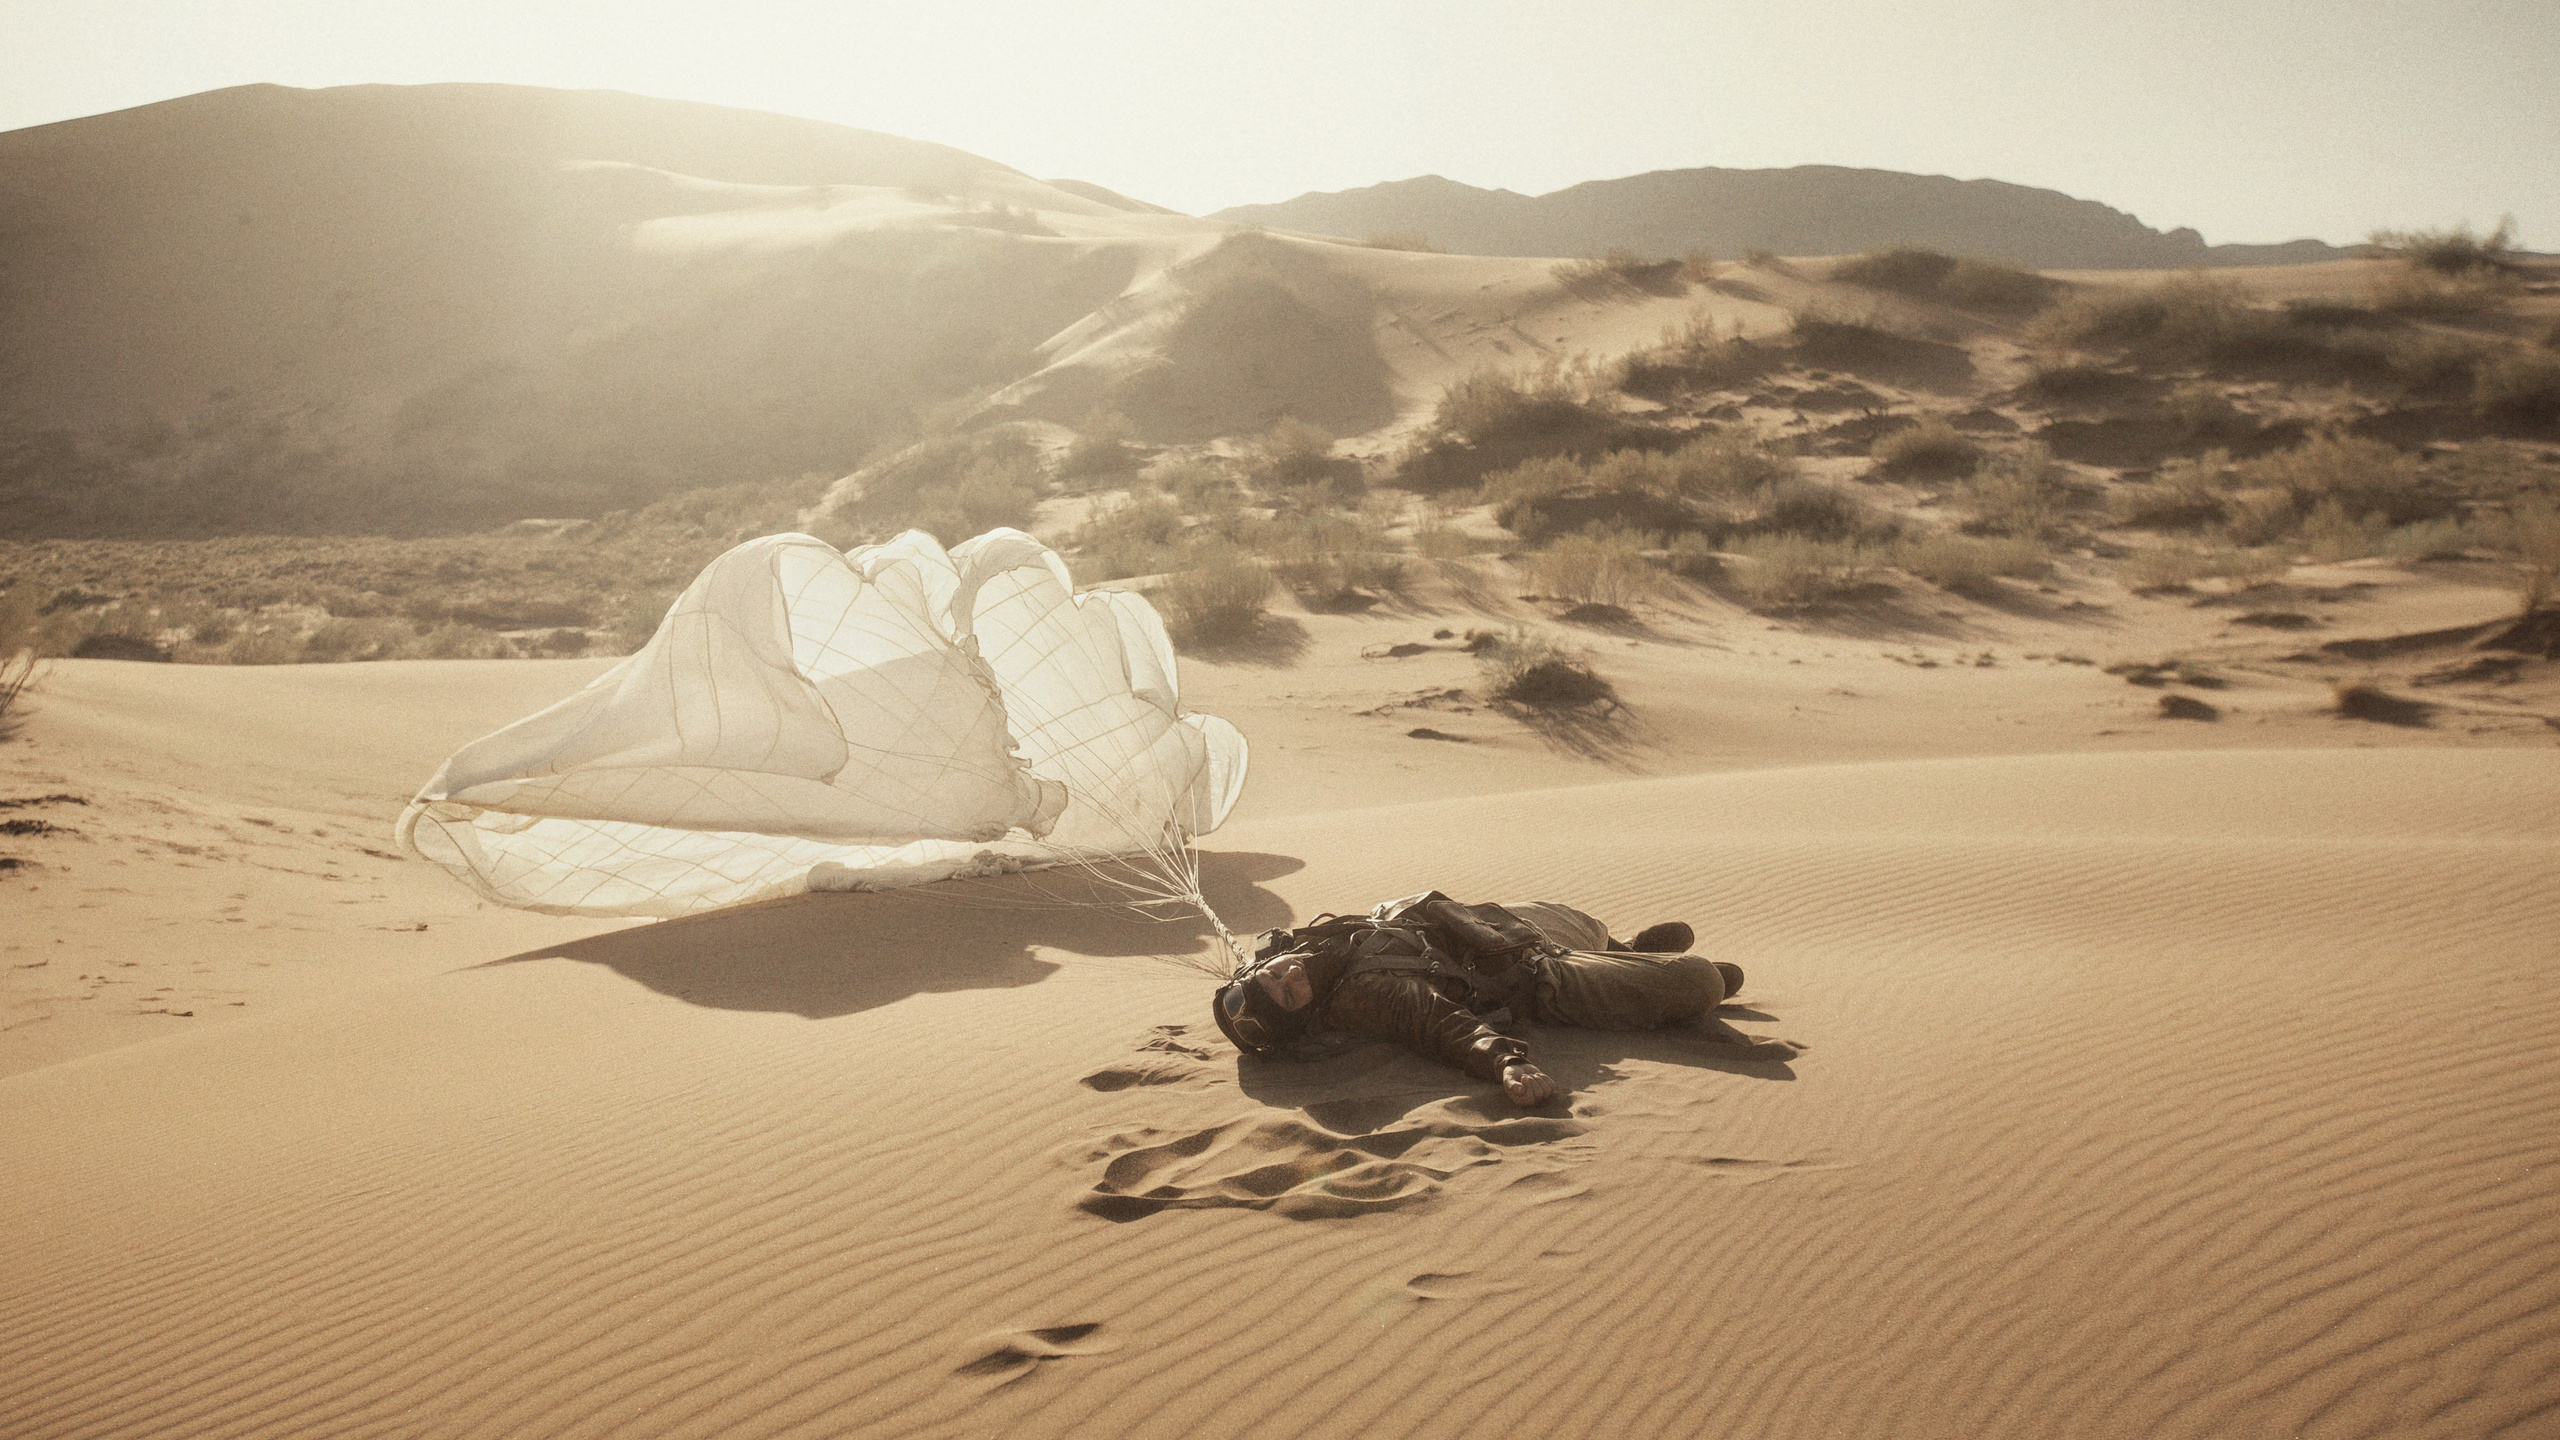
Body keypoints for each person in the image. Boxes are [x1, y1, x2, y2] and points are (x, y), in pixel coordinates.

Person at [1211, 891, 1799, 1105]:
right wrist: (1508, 1063)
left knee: (1581, 918)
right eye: (1290, 995)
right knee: (1698, 978)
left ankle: (1627, 948)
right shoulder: (1362, 996)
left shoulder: (1311, 942)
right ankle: (1660, 979)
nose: (1289, 976)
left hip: (1499, 927)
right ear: (1306, 1012)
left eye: (1273, 976)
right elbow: (1438, 1023)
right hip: (1538, 976)